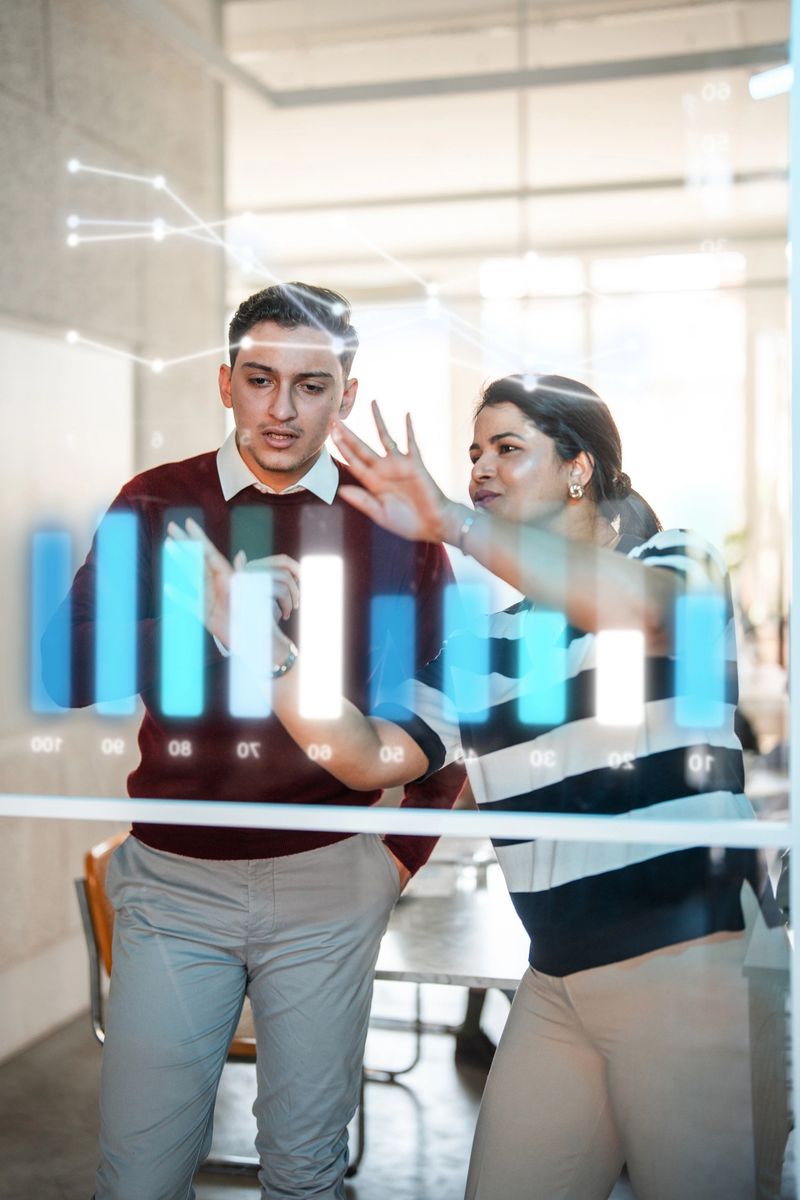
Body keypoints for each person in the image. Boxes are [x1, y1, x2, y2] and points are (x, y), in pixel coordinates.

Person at [186, 373, 789, 1200]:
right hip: (556, 980)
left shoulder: (674, 559)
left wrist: (454, 526)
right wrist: (262, 647)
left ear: (580, 468)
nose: (481, 469)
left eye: (509, 448)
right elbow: (365, 754)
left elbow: (649, 617)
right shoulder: (488, 647)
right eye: (474, 454)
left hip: (695, 960)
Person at [42, 282, 464, 1199]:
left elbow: (448, 714)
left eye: (311, 387)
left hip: (329, 881)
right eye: (261, 379)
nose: (282, 409)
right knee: (139, 1172)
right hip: (172, 883)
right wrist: (213, 622)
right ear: (224, 381)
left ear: (346, 395)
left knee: (305, 1170)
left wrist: (393, 861)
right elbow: (65, 671)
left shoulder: (393, 526)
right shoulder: (154, 505)